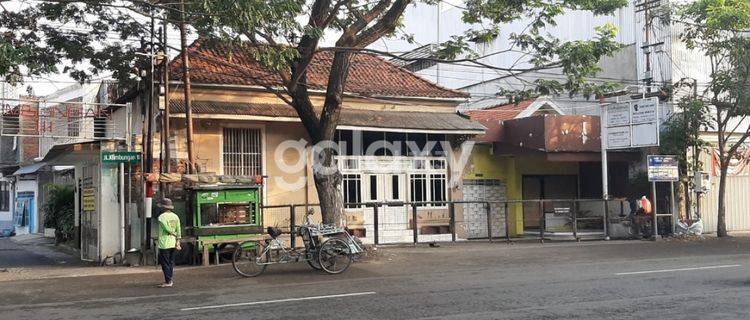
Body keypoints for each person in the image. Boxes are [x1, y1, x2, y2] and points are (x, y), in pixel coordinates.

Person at [157, 198, 181, 288]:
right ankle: (170, 279)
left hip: (164, 243)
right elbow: (179, 229)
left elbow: (166, 228)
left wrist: (172, 232)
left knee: (165, 263)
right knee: (171, 262)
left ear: (163, 207)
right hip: (173, 242)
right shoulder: (176, 216)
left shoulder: (161, 217)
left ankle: (168, 281)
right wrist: (178, 239)